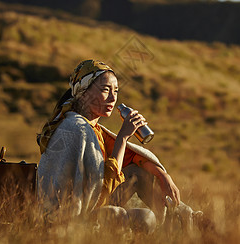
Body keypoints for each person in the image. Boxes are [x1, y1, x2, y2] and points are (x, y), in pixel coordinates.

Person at [37, 60, 199, 233]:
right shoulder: (76, 129)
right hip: (72, 220)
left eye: (115, 91)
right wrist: (123, 137)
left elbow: (131, 159)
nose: (113, 98)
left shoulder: (92, 128)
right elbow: (99, 192)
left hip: (95, 207)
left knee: (138, 174)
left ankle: (184, 219)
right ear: (83, 93)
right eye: (105, 90)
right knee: (143, 218)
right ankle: (182, 223)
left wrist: (162, 175)